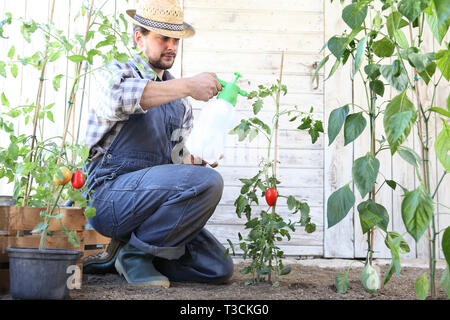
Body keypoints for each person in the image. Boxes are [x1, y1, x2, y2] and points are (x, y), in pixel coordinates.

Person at [81, 0, 234, 287]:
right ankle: (134, 256)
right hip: (109, 197)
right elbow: (119, 99)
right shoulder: (115, 72)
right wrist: (189, 84)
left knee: (217, 267)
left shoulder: (181, 104)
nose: (171, 46)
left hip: (150, 203)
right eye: (163, 38)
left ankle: (128, 253)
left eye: (175, 39)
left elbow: (178, 166)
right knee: (210, 182)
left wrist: (199, 159)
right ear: (139, 38)